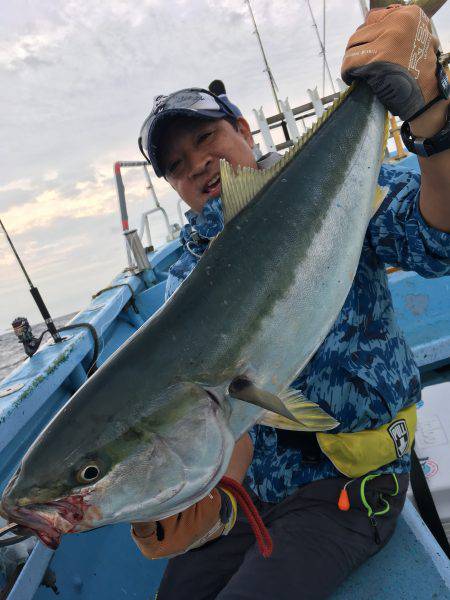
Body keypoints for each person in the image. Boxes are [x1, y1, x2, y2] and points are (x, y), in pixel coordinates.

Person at [133, 5, 450, 599]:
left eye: (206, 138)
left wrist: (434, 120)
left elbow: (436, 237)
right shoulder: (186, 278)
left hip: (350, 485)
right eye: (174, 166)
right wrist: (199, 488)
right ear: (174, 187)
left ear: (244, 132)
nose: (197, 163)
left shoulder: (331, 190)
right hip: (256, 494)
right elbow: (222, 405)